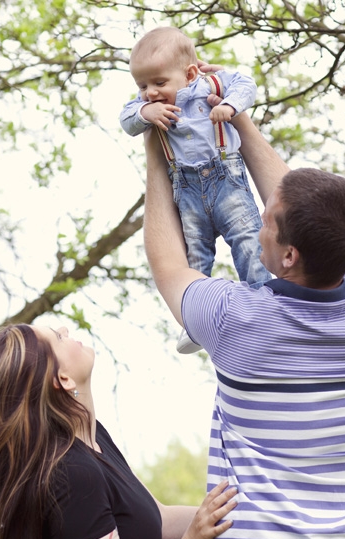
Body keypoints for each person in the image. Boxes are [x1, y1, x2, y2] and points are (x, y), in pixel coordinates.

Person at [142, 96, 345, 539]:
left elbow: (168, 263)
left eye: (266, 221)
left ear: (289, 255)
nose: (256, 224)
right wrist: (236, 116)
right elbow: (318, 219)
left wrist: (157, 156)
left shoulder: (236, 319)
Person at [0, 323, 238, 539]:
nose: (65, 329)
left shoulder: (94, 438)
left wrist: (243, 517)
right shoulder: (74, 476)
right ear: (63, 379)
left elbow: (158, 520)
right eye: (58, 337)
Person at [119, 27, 271, 354]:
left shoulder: (211, 84)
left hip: (226, 179)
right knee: (195, 253)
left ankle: (264, 298)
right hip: (186, 187)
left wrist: (229, 106)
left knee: (248, 239)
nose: (150, 93)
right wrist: (145, 112)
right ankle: (195, 320)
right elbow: (127, 119)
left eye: (159, 83)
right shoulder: (147, 105)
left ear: (189, 74)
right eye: (142, 86)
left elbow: (246, 84)